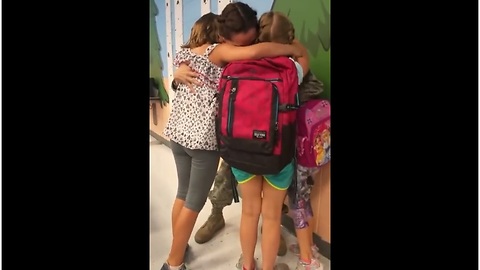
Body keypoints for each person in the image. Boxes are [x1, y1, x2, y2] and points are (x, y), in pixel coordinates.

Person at [161, 7, 303, 270]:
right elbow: (260, 53)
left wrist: (178, 75)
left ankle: (184, 247)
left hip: (186, 136)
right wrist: (292, 48)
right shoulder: (229, 54)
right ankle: (174, 260)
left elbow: (181, 76)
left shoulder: (198, 57)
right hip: (215, 144)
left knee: (186, 196)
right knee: (198, 202)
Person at [257, 11, 325, 270]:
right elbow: (304, 54)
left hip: (280, 149)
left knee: (296, 202)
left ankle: (308, 258)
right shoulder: (295, 68)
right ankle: (310, 252)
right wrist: (291, 43)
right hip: (304, 148)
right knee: (301, 200)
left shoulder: (260, 68)